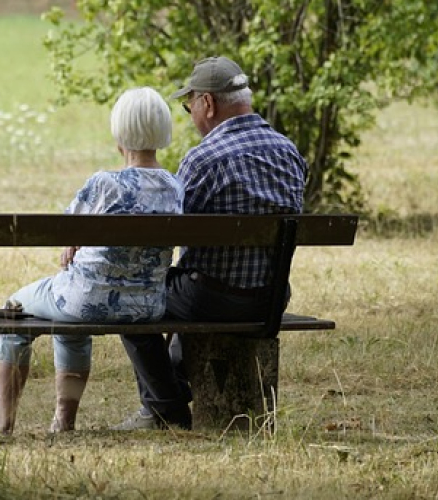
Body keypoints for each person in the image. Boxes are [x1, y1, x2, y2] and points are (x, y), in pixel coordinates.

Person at [114, 56, 309, 430]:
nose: (191, 116)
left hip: (212, 299)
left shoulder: (203, 159)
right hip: (270, 298)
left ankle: (165, 409)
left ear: (207, 103)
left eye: (189, 107)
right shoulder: (289, 152)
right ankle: (169, 397)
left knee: (130, 297)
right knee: (189, 284)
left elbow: (168, 233)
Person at [0, 87, 183, 435]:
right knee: (67, 316)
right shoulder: (175, 186)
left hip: (86, 301)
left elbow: (65, 231)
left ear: (119, 134)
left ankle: (2, 424)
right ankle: (63, 421)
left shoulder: (104, 183)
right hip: (147, 307)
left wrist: (73, 244)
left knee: (13, 310)